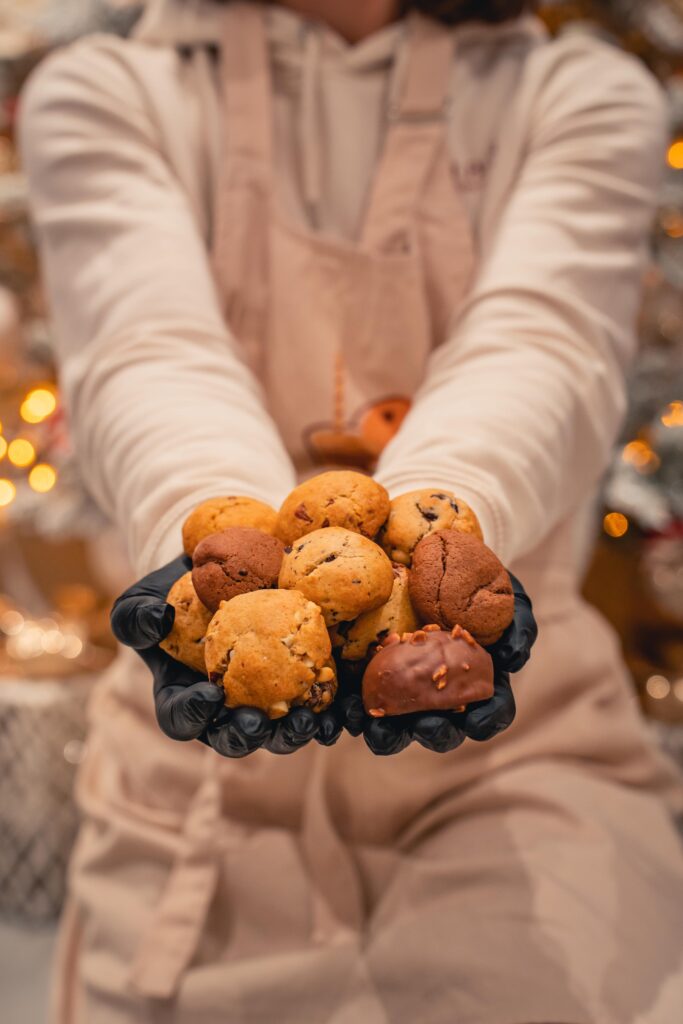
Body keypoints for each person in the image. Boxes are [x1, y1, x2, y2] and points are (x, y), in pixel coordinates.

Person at [19, 0, 683, 1021]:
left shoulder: (576, 95)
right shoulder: (111, 94)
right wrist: (212, 547)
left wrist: (432, 540)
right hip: (192, 784)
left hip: (521, 762)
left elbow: (542, 345)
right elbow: (145, 348)